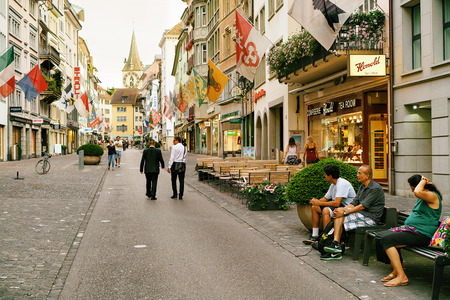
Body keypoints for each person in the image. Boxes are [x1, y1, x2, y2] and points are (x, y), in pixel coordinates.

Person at [377, 174, 442, 287]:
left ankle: (402, 276)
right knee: (381, 236)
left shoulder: (432, 196)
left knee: (387, 240)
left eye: (412, 188)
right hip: (413, 231)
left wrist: (423, 181)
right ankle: (396, 270)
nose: (412, 191)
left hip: (423, 234)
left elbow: (417, 192)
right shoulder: (423, 197)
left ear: (420, 186)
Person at [321, 165, 385, 260]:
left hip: (370, 218)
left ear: (367, 176)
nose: (357, 175)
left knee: (340, 216)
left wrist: (345, 212)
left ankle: (335, 245)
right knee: (339, 213)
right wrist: (342, 209)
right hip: (361, 215)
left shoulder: (375, 188)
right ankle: (335, 244)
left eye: (359, 173)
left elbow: (362, 206)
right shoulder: (362, 187)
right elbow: (354, 203)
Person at [303, 164, 356, 244]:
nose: (325, 177)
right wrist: (316, 202)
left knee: (326, 210)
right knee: (315, 207)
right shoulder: (333, 185)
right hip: (339, 206)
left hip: (347, 208)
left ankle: (326, 238)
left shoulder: (342, 184)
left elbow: (337, 203)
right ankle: (315, 235)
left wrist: (319, 202)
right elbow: (325, 198)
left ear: (330, 176)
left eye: (325, 175)